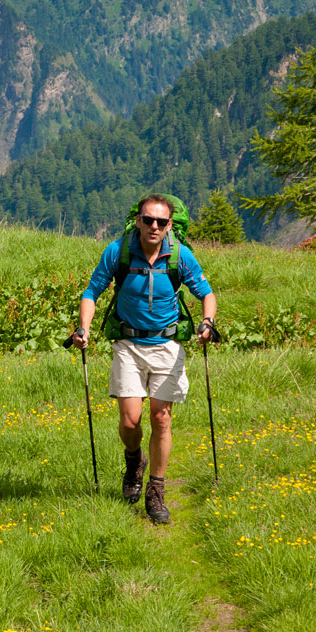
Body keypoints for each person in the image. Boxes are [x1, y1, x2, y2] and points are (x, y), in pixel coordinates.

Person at [72, 193, 217, 524]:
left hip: (167, 346)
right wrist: (84, 328)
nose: (154, 226)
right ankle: (134, 460)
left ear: (168, 226)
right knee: (130, 421)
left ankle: (156, 490)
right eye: (148, 220)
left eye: (161, 222)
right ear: (137, 221)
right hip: (128, 343)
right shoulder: (119, 252)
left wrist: (207, 322)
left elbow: (206, 294)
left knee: (161, 418)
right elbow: (91, 292)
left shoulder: (180, 256)